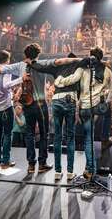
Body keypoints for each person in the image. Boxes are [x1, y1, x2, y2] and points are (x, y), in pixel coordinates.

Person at [0, 43, 75, 174]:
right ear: (38, 54)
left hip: (27, 104)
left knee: (29, 135)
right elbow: (62, 61)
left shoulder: (20, 66)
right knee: (44, 135)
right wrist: (78, 60)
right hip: (40, 104)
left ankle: (31, 165)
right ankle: (42, 163)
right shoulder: (43, 64)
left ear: (25, 54)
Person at [55, 47, 112, 179]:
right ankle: (105, 137)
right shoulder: (107, 70)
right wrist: (106, 101)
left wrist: (59, 80)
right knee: (109, 108)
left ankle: (89, 170)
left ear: (90, 56)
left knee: (88, 139)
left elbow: (72, 79)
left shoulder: (83, 67)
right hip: (98, 107)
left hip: (85, 108)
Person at [28, 52, 82, 181]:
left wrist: (31, 62)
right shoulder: (78, 66)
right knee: (70, 138)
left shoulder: (57, 66)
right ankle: (70, 172)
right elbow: (79, 88)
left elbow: (41, 67)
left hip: (56, 100)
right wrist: (77, 109)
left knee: (57, 137)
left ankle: (58, 172)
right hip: (70, 100)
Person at [0, 50, 23, 169]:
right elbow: (6, 85)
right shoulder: (6, 69)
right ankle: (5, 161)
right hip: (6, 107)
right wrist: (21, 79)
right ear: (8, 59)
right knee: (7, 134)